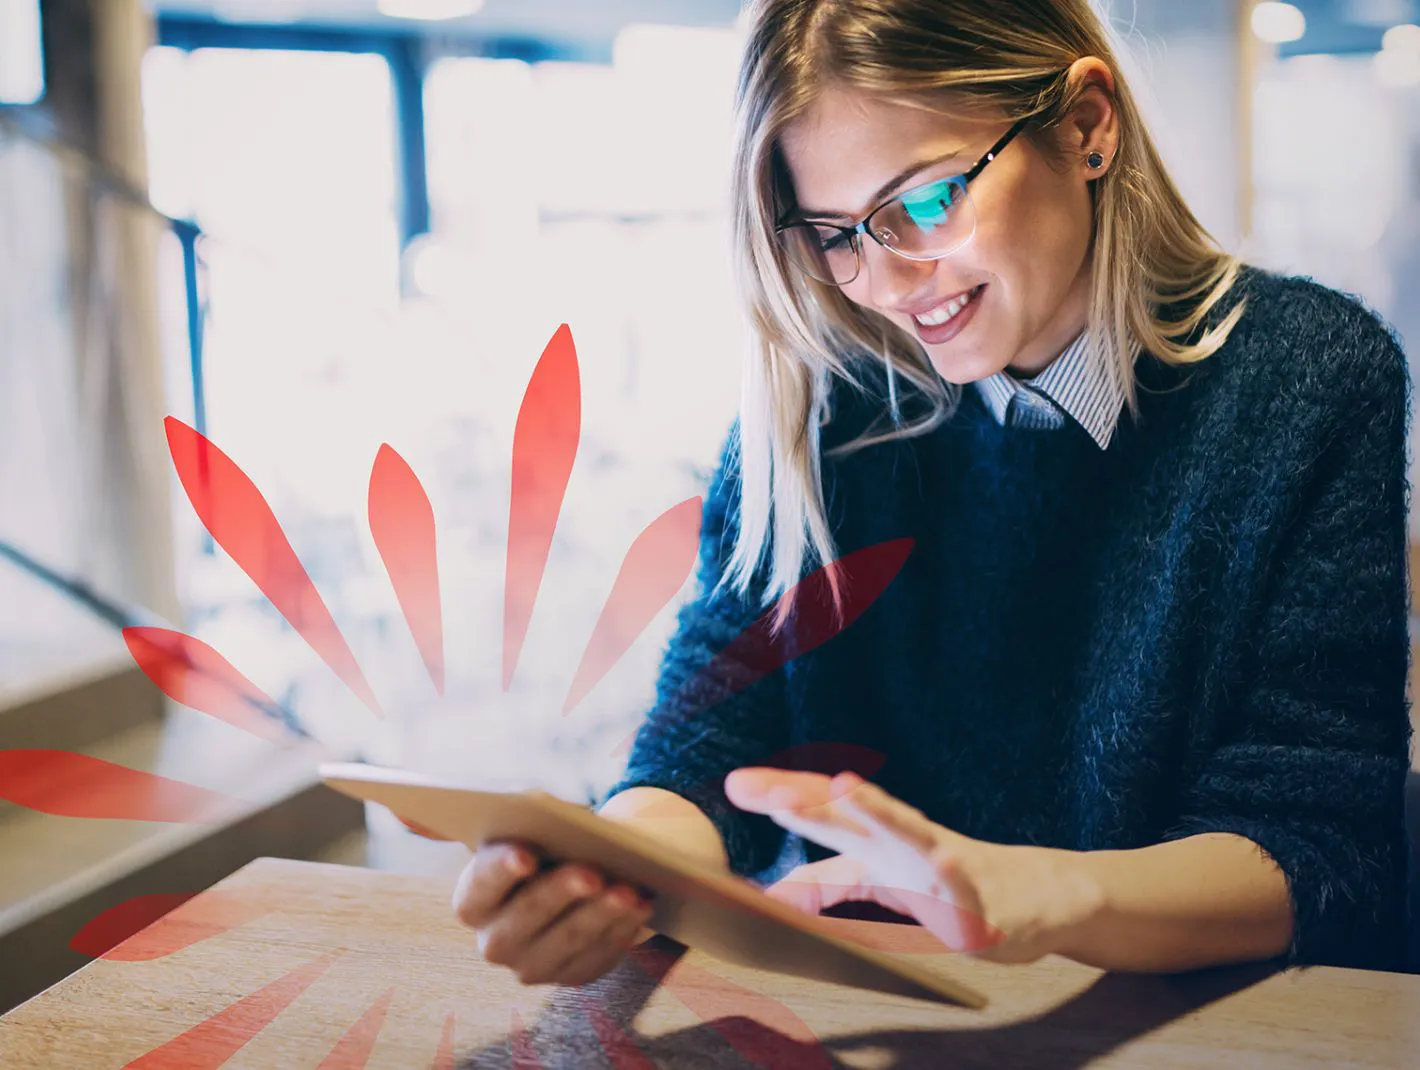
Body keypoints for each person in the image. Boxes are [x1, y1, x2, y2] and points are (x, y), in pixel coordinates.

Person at [451, 0, 1412, 988]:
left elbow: (1320, 840)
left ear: (1087, 126)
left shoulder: (1306, 378)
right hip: (879, 1013)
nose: (886, 281)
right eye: (834, 233)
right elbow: (705, 751)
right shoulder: (822, 406)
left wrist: (1032, 892)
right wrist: (612, 871)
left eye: (923, 201)